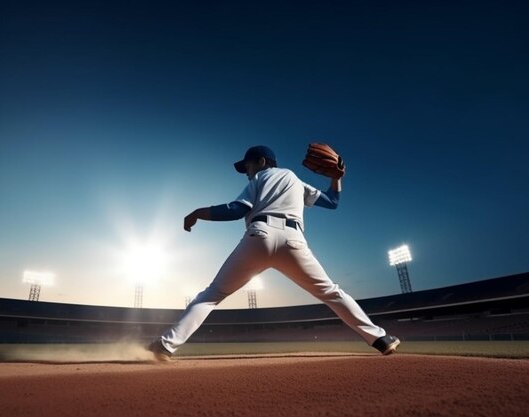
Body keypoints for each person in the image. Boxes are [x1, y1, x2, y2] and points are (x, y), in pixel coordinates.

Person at [148, 145, 400, 361]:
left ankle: (165, 346)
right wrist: (336, 178)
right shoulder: (294, 180)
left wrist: (197, 213)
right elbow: (332, 202)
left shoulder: (260, 178)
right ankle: (380, 339)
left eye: (247, 166)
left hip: (259, 237)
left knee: (212, 295)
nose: (246, 172)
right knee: (331, 292)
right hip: (294, 241)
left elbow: (236, 210)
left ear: (261, 162)